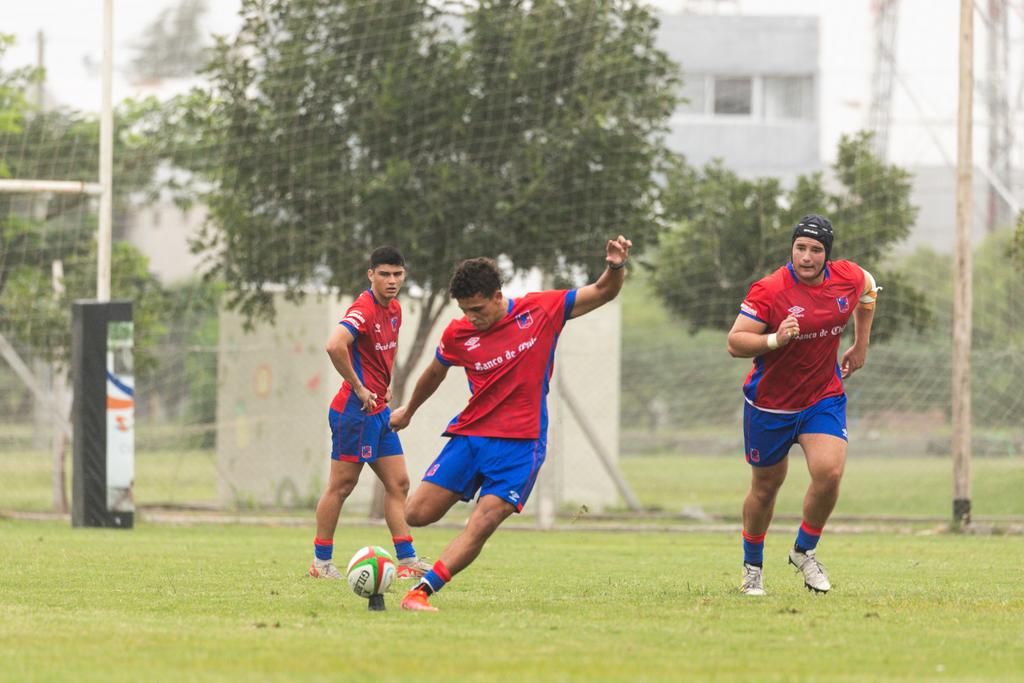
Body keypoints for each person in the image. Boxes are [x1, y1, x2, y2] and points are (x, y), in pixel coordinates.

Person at [388, 236, 632, 611]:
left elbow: (603, 291)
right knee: (416, 514)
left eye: (478, 308)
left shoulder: (542, 310)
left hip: (521, 443)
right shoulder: (458, 333)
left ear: (498, 295)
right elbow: (435, 372)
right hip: (471, 436)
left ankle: (421, 592)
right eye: (466, 309)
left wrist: (614, 266)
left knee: (483, 522)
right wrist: (409, 409)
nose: (472, 317)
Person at [726, 214, 880, 595]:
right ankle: (752, 568)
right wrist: (775, 339)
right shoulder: (770, 289)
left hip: (821, 398)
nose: (807, 257)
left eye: (815, 250)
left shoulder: (847, 277)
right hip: (770, 406)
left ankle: (803, 552)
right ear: (791, 248)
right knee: (766, 487)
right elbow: (735, 342)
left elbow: (870, 290)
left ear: (827, 255)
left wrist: (861, 344)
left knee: (829, 473)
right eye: (800, 248)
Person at [308, 246, 431, 581]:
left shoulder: (394, 310)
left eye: (397, 274)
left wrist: (384, 384)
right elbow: (335, 345)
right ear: (371, 275)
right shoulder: (363, 308)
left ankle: (406, 560)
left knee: (399, 483)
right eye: (385, 274)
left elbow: (380, 354)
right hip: (355, 411)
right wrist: (361, 387)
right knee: (342, 486)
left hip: (379, 411)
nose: (392, 281)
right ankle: (321, 563)